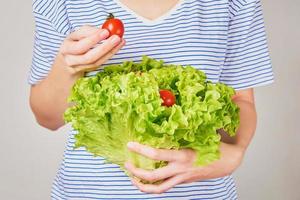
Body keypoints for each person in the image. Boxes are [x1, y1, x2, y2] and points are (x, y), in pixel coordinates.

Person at [29, 0, 274, 199]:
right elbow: (48, 118)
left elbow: (240, 100)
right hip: (89, 193)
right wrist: (68, 67)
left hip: (200, 194)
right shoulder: (61, 3)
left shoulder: (233, 3)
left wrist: (233, 153)